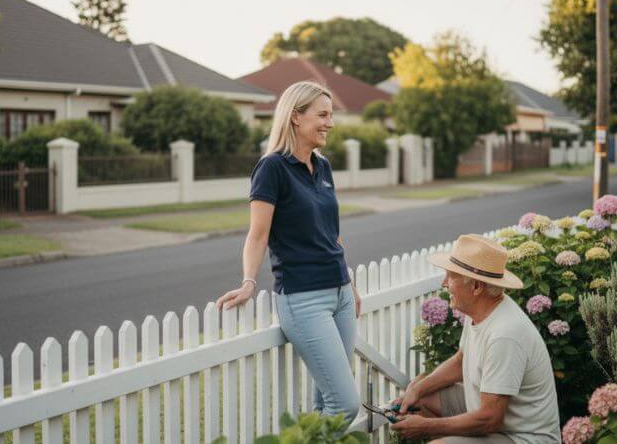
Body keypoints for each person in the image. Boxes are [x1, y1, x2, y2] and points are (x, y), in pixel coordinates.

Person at [216, 80, 362, 421]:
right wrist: (249, 281)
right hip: (304, 298)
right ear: (296, 117)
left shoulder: (322, 166)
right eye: (322, 114)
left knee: (325, 404)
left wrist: (350, 282)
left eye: (331, 115)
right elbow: (258, 235)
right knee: (345, 405)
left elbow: (331, 233)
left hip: (340, 293)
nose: (330, 122)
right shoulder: (272, 168)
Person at [390, 235, 561, 443]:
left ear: (477, 287)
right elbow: (461, 360)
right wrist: (417, 389)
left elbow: (490, 419)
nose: (444, 282)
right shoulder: (481, 311)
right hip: (495, 421)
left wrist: (426, 427)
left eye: (451, 276)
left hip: (522, 438)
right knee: (422, 398)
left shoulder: (504, 334)